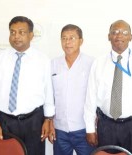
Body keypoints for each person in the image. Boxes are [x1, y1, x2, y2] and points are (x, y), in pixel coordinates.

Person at [0, 16, 55, 155]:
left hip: (34, 121)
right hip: (4, 121)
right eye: (12, 32)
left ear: (31, 35)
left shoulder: (43, 60)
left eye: (21, 32)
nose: (16, 36)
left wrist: (48, 119)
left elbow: (48, 92)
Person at [84, 20, 132, 155]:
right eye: (115, 32)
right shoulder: (99, 63)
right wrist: (90, 128)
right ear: (109, 36)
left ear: (130, 37)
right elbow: (91, 96)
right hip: (106, 124)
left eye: (124, 32)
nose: (119, 36)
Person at [49, 24, 95, 155]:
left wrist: (94, 127)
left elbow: (96, 96)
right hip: (59, 129)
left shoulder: (92, 64)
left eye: (72, 38)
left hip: (84, 128)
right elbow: (49, 96)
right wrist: (49, 121)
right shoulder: (53, 64)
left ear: (81, 41)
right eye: (64, 38)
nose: (67, 42)